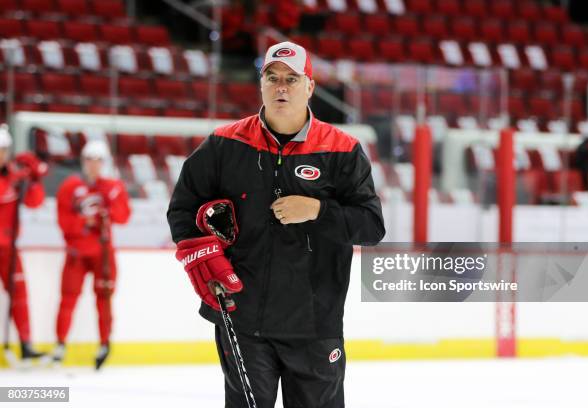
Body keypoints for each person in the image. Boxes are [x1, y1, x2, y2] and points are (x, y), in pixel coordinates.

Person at [168, 42, 385, 407]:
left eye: (291, 78)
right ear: (261, 84)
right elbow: (183, 209)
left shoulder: (343, 150)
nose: (281, 86)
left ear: (310, 86)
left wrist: (317, 209)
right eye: (272, 78)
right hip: (243, 321)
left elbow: (371, 227)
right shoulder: (223, 145)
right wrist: (203, 256)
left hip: (315, 326)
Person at [52, 140, 131, 369]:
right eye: (89, 159)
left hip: (103, 253)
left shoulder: (112, 186)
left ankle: (104, 343)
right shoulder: (70, 186)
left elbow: (123, 216)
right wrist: (86, 221)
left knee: (104, 300)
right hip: (77, 252)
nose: (93, 165)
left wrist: (106, 211)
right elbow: (64, 222)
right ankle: (60, 344)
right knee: (68, 298)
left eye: (98, 160)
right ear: (83, 161)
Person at [0, 124, 48, 361]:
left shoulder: (13, 175)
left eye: (4, 149)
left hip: (9, 247)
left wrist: (35, 179)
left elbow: (34, 202)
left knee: (20, 293)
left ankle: (26, 343)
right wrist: (18, 179)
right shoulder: (11, 178)